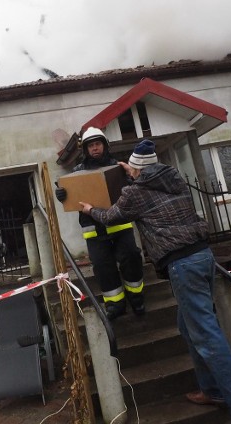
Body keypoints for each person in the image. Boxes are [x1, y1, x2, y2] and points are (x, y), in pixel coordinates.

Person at [78, 139, 231, 424]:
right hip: (203, 257)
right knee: (188, 326)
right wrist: (135, 172)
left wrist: (89, 209)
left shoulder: (135, 194)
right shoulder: (175, 179)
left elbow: (109, 216)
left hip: (182, 265)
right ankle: (212, 390)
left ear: (137, 171)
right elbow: (150, 178)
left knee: (207, 336)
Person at [55, 127, 144, 320]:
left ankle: (137, 299)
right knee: (104, 268)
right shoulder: (77, 172)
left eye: (98, 144)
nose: (95, 148)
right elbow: (70, 198)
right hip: (94, 230)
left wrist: (130, 178)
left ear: (105, 146)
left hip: (121, 226)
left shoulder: (119, 167)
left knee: (131, 259)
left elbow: (135, 192)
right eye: (91, 146)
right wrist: (62, 195)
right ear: (85, 150)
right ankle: (115, 305)